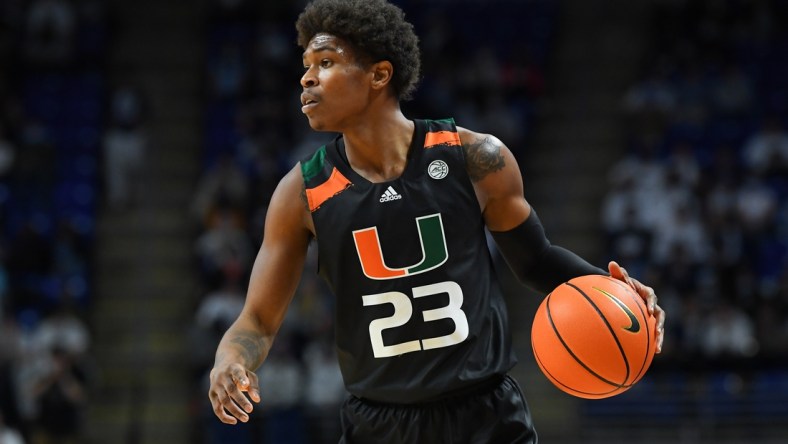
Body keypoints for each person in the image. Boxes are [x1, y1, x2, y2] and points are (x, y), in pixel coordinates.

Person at [208, 1, 666, 442]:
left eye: (325, 62)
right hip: (379, 424)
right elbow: (258, 321)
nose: (306, 77)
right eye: (306, 64)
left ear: (379, 75)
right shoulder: (301, 194)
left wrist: (619, 293)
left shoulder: (476, 157)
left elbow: (537, 261)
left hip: (486, 416)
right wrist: (230, 359)